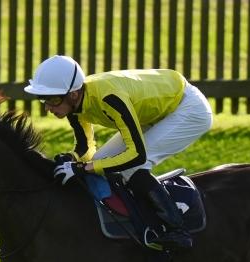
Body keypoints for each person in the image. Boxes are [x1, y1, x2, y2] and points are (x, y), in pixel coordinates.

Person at [24, 55, 213, 250]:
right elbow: (86, 147)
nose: (48, 108)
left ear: (73, 94)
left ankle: (177, 230)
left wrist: (83, 168)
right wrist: (73, 159)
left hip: (188, 109)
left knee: (133, 167)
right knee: (101, 160)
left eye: (53, 99)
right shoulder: (75, 104)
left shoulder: (110, 98)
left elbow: (135, 155)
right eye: (43, 100)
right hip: (155, 110)